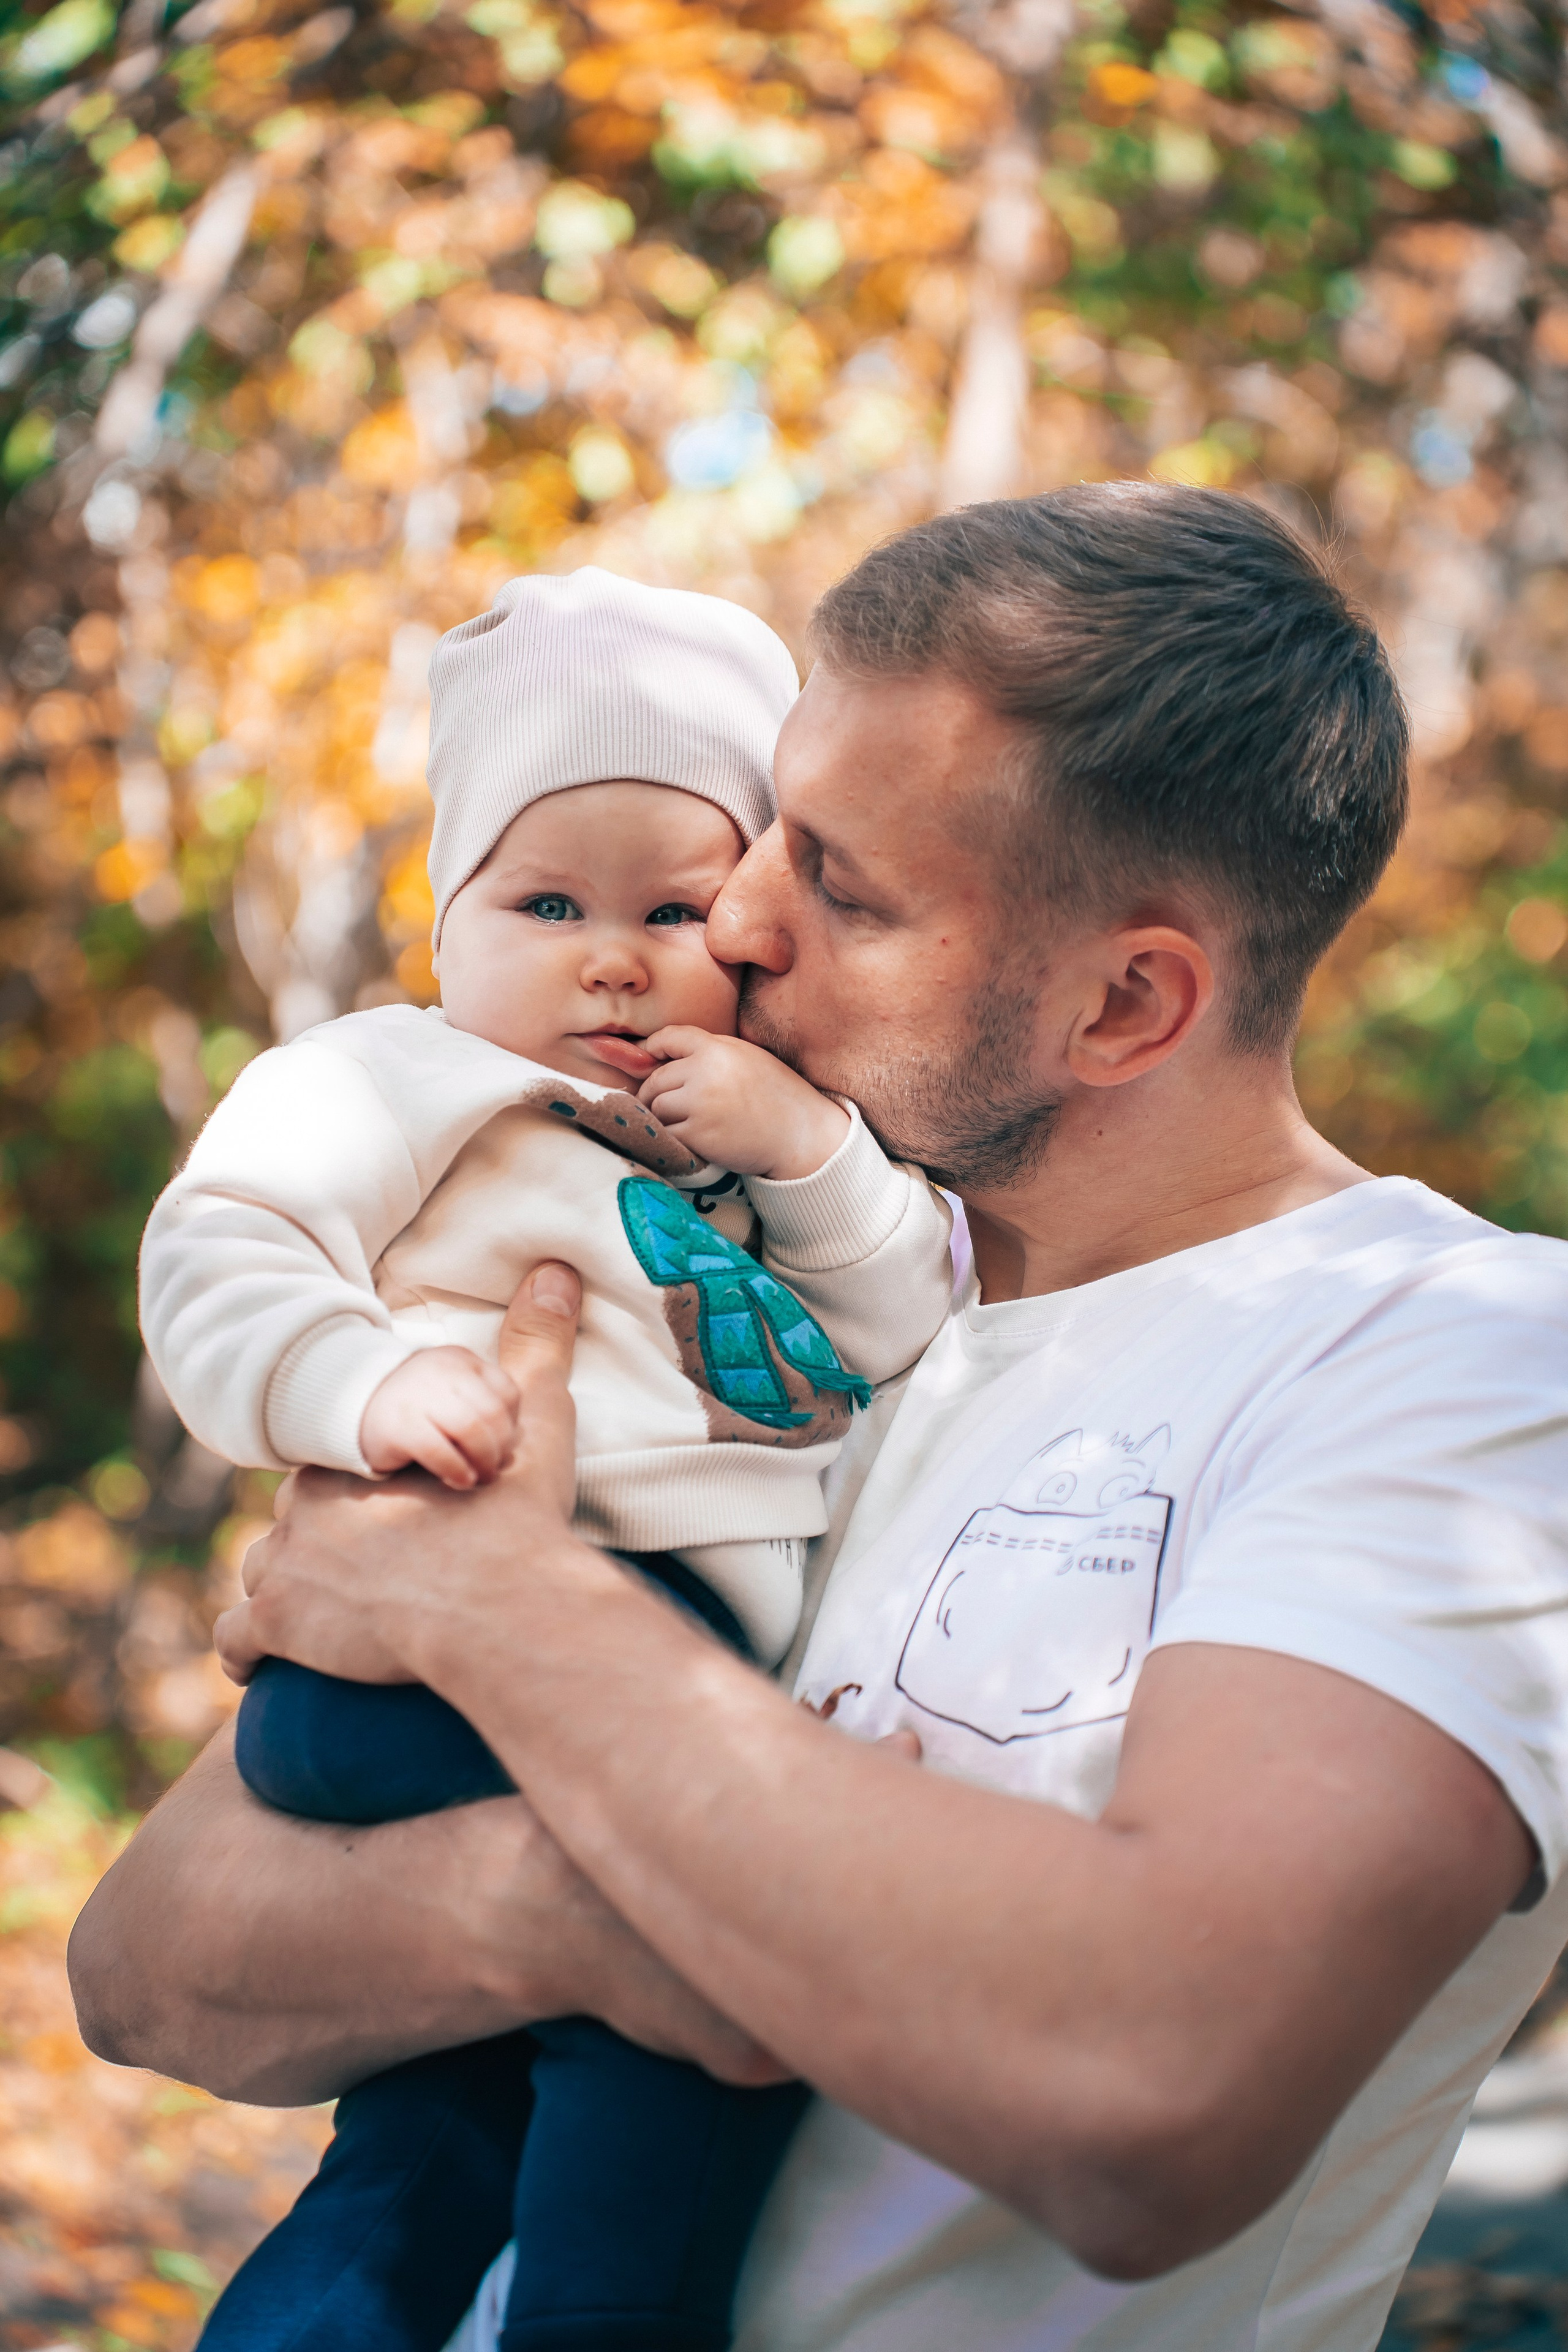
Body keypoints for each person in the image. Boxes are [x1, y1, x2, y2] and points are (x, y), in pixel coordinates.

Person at [72, 486, 1568, 2352]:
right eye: (770, 826)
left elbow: (1155, 2094)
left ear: (1127, 1006)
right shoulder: (738, 1274)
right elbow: (151, 1968)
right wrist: (571, 1917)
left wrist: (490, 1608)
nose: (737, 915)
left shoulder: (1465, 1360)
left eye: (842, 886)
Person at [135, 567, 952, 2352]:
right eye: (549, 900)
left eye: (675, 906)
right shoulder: (396, 1075)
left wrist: (810, 1154)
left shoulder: (756, 1141)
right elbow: (217, 1253)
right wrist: (353, 1385)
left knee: (437, 2131)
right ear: (453, 921)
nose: (613, 952)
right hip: (423, 1660)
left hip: (638, 1670)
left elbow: (902, 1321)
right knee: (678, 2036)